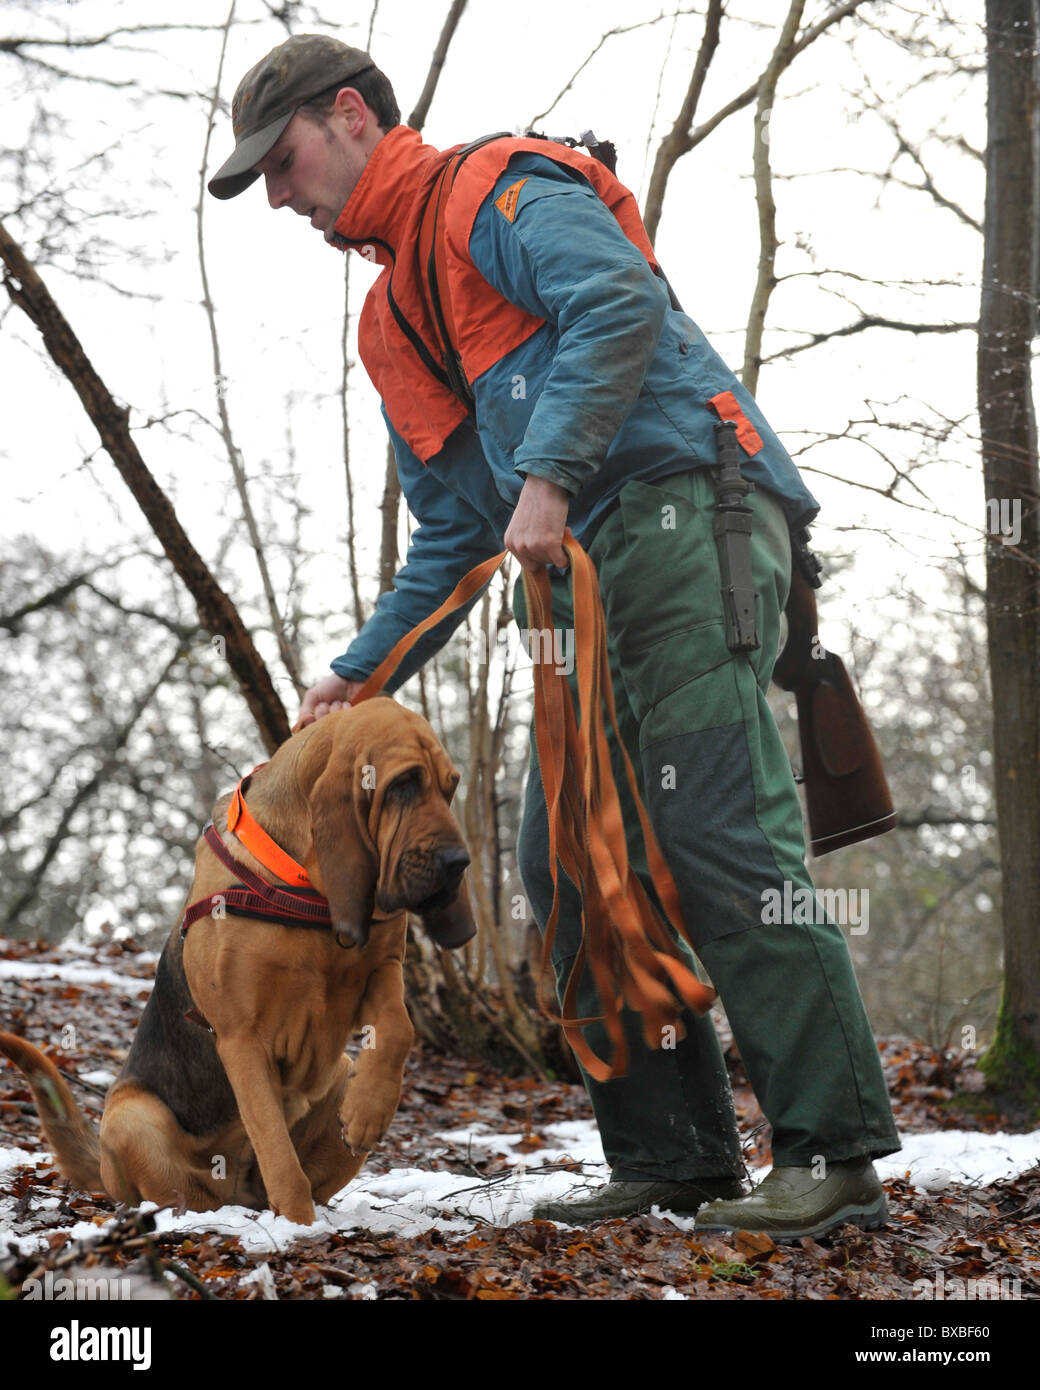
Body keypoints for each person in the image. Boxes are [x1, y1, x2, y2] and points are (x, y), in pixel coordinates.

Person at [209, 32, 900, 1238]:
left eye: (283, 157)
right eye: (258, 174)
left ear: (355, 115)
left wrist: (551, 470)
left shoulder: (494, 188)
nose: (275, 191)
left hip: (685, 514)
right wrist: (354, 670)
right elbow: (451, 537)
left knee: (714, 825)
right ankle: (675, 1157)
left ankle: (833, 1152)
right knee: (564, 860)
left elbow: (616, 301)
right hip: (578, 585)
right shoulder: (388, 325)